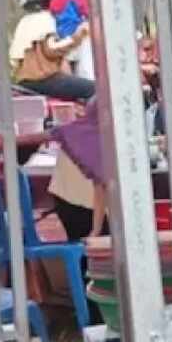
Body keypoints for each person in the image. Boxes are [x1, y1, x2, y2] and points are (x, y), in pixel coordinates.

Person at [9, 0, 94, 101]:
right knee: (94, 89)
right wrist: (77, 36)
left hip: (26, 80)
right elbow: (52, 49)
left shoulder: (24, 22)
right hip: (43, 79)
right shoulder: (44, 19)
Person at [49, 97, 108, 242]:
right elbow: (100, 187)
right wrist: (95, 231)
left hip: (62, 200)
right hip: (86, 207)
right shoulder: (100, 141)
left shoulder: (76, 130)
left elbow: (45, 135)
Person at [50, 0, 93, 80]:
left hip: (62, 39)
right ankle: (89, 83)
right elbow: (88, 13)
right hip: (79, 36)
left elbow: (53, 14)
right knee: (86, 64)